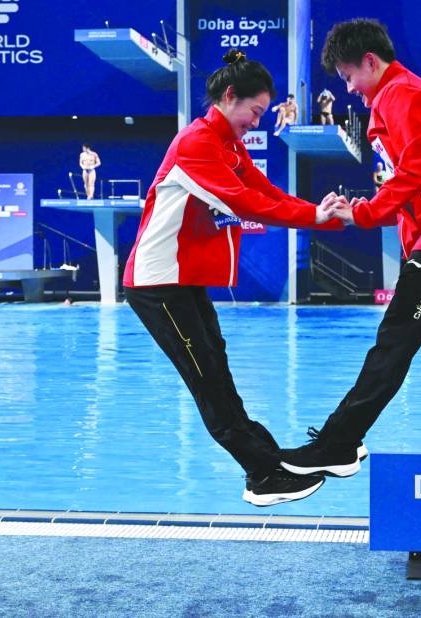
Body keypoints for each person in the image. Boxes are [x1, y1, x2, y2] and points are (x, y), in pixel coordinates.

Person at [122, 49, 340, 508]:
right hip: (156, 283)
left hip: (181, 280)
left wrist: (317, 213)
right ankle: (260, 474)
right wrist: (315, 218)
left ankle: (268, 458)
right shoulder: (196, 143)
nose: (257, 122)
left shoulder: (227, 144)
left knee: (217, 367)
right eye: (255, 112)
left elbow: (265, 191)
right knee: (207, 378)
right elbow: (247, 203)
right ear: (229, 97)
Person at [279, 18, 421, 480]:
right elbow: (411, 179)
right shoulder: (396, 96)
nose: (350, 88)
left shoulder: (405, 95)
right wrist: (364, 208)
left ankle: (338, 445)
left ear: (370, 62)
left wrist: (368, 213)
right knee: (391, 347)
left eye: (349, 76)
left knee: (391, 347)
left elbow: (413, 171)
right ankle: (339, 442)